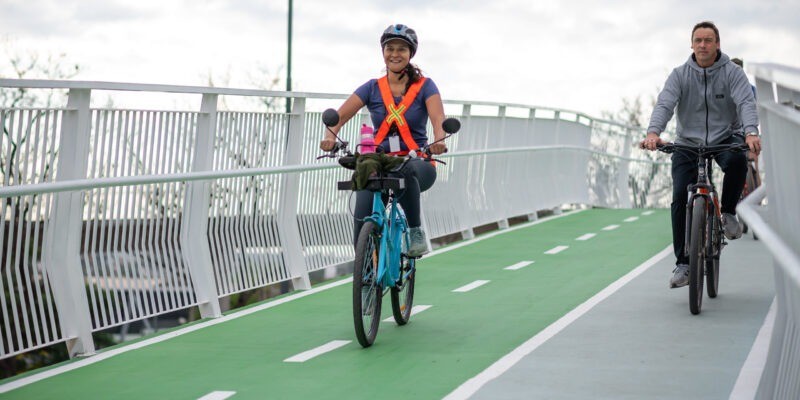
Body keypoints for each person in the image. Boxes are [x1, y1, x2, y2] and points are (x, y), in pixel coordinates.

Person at [641, 21, 762, 288]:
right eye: (698, 41)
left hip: (724, 136)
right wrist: (653, 133)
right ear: (692, 44)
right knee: (677, 197)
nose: (703, 45)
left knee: (738, 160)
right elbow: (665, 103)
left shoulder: (732, 73)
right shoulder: (679, 75)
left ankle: (729, 212)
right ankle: (683, 264)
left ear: (717, 44)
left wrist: (751, 132)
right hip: (687, 142)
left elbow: (745, 102)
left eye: (708, 40)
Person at [319, 23, 448, 257]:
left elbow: (438, 118)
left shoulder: (425, 86)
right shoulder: (372, 87)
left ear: (410, 54)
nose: (395, 54)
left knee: (405, 170)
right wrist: (330, 136)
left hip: (417, 162)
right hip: (379, 161)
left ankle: (415, 232)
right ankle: (365, 264)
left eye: (401, 49)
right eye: (390, 48)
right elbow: (338, 117)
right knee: (363, 197)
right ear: (383, 52)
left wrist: (439, 140)